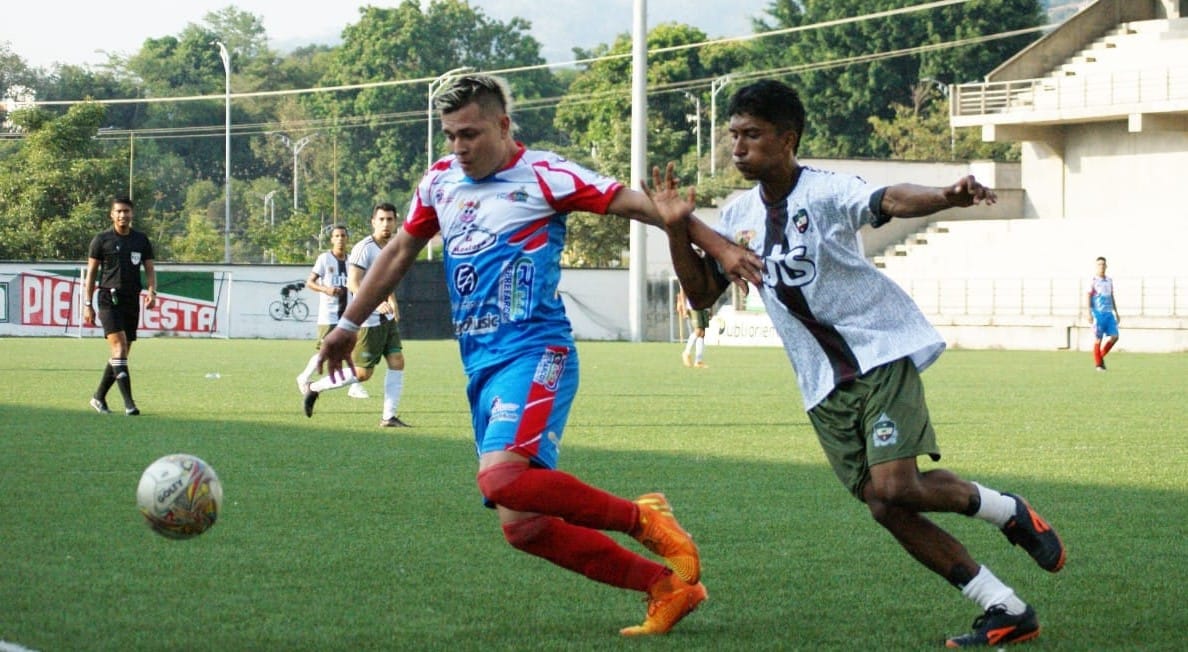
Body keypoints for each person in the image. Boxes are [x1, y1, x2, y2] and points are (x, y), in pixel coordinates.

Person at [315, 74, 751, 636]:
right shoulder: (440, 182)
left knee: (498, 482)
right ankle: (664, 587)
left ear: (502, 125)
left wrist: (719, 246)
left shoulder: (546, 174)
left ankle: (646, 518)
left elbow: (645, 207)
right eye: (449, 136)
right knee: (522, 526)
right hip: (481, 364)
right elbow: (401, 249)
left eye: (469, 134)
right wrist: (349, 322)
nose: (458, 147)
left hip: (537, 350)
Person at [653, 79, 1066, 648]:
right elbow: (701, 295)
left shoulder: (824, 191)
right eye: (733, 136)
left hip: (876, 353)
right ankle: (1005, 607)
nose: (738, 147)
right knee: (884, 505)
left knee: (896, 485)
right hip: (820, 385)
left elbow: (889, 200)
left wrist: (948, 196)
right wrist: (677, 226)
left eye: (751, 135)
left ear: (787, 139)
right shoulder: (737, 213)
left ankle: (1007, 511)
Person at [303, 205, 410, 427]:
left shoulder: (392, 246)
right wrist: (377, 303)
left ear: (395, 221)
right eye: (381, 219)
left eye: (390, 219)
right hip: (369, 318)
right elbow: (354, 283)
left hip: (386, 317)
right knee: (363, 374)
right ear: (373, 222)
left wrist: (392, 302)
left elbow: (385, 280)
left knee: (397, 361)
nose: (386, 224)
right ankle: (314, 388)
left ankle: (388, 417)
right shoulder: (365, 248)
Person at [82, 196, 157, 416]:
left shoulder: (141, 240)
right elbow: (91, 275)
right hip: (108, 298)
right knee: (119, 349)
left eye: (126, 211)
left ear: (132, 214)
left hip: (131, 299)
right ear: (112, 215)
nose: (123, 215)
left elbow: (150, 269)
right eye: (119, 211)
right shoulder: (101, 240)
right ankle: (129, 405)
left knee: (121, 354)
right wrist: (87, 304)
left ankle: (98, 398)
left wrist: (152, 291)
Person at [296, 225, 351, 395]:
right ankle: (303, 378)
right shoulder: (325, 259)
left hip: (347, 314)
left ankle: (355, 386)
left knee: (351, 350)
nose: (340, 238)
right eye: (337, 236)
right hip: (329, 315)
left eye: (343, 235)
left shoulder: (351, 261)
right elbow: (310, 282)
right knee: (325, 352)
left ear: (347, 239)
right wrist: (326, 289)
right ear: (332, 240)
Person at [1088, 256, 1120, 371]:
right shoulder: (1093, 281)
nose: (1101, 266)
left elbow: (1111, 296)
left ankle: (1099, 357)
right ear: (1096, 266)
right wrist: (1089, 313)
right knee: (1098, 339)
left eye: (1103, 264)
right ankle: (1098, 365)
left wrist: (1116, 312)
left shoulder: (1109, 280)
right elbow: (1088, 296)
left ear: (1106, 266)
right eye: (1099, 264)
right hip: (1098, 314)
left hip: (1109, 313)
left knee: (1115, 337)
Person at [676, 287, 710, 368]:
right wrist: (684, 307)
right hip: (693, 305)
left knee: (702, 333)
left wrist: (710, 307)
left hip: (704, 305)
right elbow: (683, 291)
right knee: (698, 331)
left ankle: (698, 361)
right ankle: (686, 353)